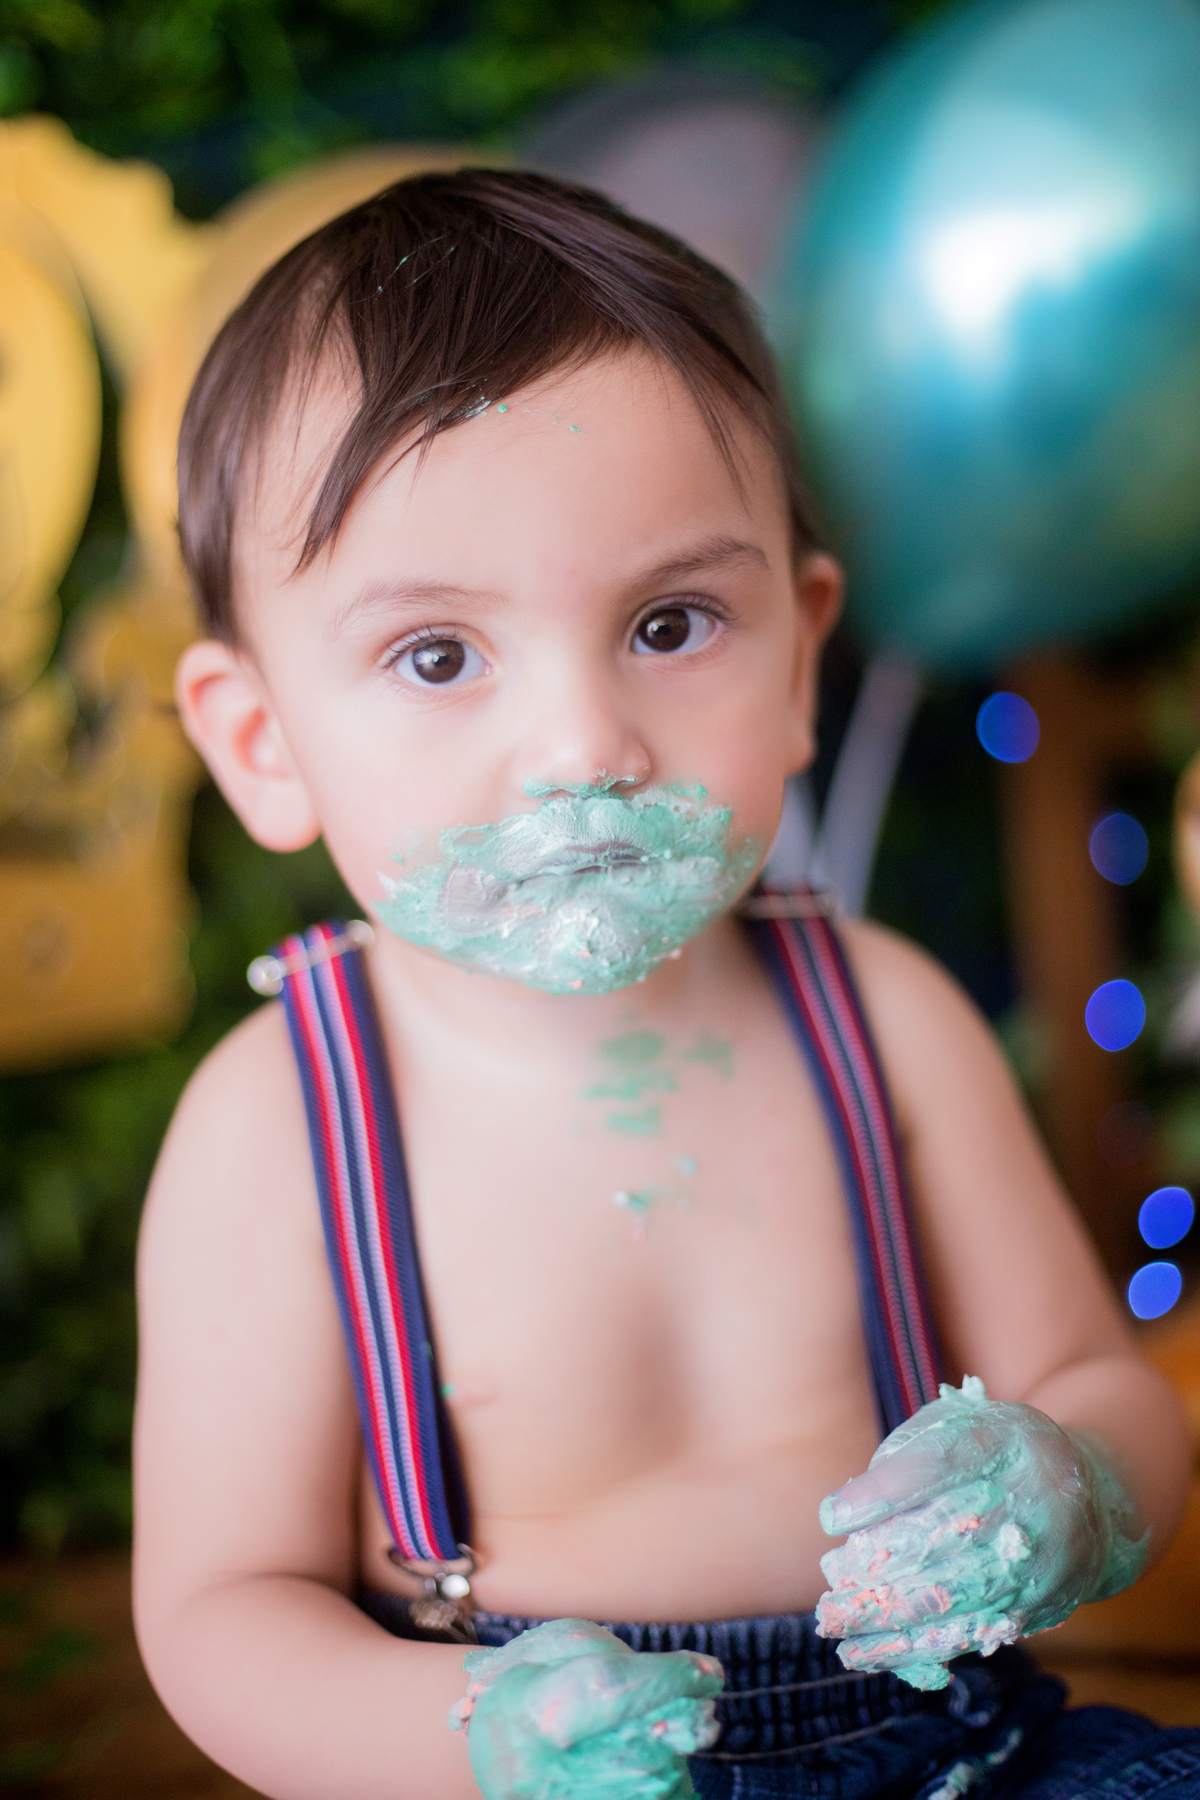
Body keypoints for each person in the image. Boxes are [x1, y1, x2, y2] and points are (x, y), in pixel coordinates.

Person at [133, 169, 1197, 1800]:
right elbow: (221, 1612)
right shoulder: (279, 1120)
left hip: (956, 1745)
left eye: (674, 621)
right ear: (262, 744)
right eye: (438, 654)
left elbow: (1099, 1378)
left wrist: (1069, 1483)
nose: (585, 746)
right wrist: (468, 1743)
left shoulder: (880, 1019)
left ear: (796, 664)